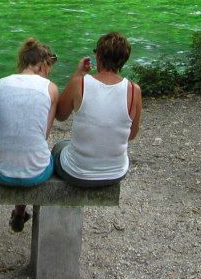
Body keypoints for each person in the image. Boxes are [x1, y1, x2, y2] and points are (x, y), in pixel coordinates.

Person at [0, 38, 59, 232]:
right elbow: (43, 136)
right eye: (49, 68)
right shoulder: (51, 89)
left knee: (18, 146)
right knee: (36, 152)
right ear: (43, 64)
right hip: (36, 172)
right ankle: (19, 211)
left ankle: (19, 212)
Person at [53, 31, 142, 187]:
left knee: (59, 147)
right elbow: (132, 134)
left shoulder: (80, 83)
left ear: (99, 56)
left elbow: (60, 115)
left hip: (77, 171)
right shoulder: (134, 91)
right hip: (116, 172)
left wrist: (77, 74)